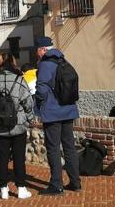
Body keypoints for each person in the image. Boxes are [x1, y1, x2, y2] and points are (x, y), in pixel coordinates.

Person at [35, 36, 81, 196]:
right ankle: (75, 182)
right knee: (69, 147)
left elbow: (40, 89)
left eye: (37, 51)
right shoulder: (64, 61)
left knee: (53, 148)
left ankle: (56, 185)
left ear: (42, 50)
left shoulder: (46, 65)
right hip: (68, 110)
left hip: (53, 113)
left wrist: (40, 103)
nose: (37, 55)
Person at [0, 52, 35, 200]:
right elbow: (28, 102)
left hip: (0, 126)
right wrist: (29, 119)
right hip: (18, 124)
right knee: (19, 157)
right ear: (12, 62)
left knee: (2, 157)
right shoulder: (19, 79)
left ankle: (3, 189)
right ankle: (21, 188)